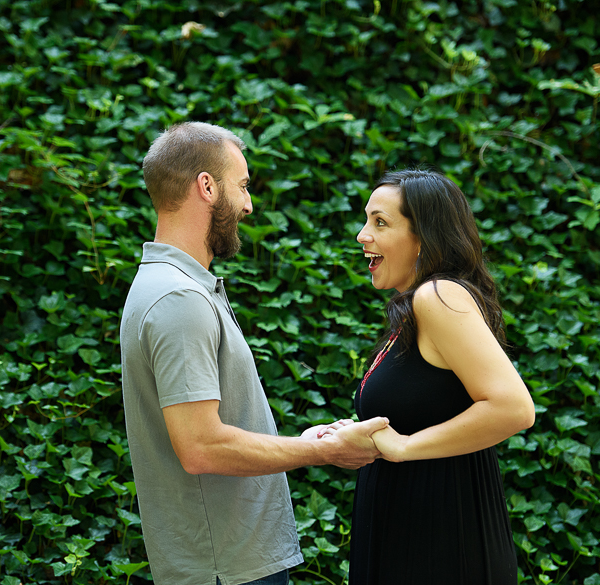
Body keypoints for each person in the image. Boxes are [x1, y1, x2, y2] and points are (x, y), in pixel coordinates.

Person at [119, 121, 388, 585]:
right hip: (227, 569)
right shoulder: (178, 299)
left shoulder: (172, 287)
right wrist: (321, 453)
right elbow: (201, 447)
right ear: (206, 186)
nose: (248, 204)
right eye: (242, 186)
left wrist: (307, 442)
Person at [321, 168, 536, 584]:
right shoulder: (414, 311)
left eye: (380, 222)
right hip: (413, 534)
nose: (362, 235)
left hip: (440, 545)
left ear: (424, 239)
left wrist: (403, 447)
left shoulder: (437, 297)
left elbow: (513, 408)